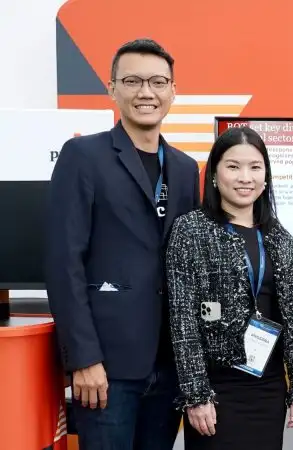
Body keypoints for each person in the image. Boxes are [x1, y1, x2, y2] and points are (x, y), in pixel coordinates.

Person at [45, 38, 200, 449]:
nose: (146, 92)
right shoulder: (83, 156)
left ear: (173, 91)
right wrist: (83, 358)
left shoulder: (185, 169)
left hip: (169, 366)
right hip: (106, 368)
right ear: (112, 88)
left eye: (157, 82)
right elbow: (64, 263)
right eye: (132, 81)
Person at [165, 126, 293, 449]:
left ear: (266, 176)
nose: (245, 177)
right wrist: (196, 394)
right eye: (233, 166)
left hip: (267, 386)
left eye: (255, 167)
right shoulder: (190, 230)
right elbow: (182, 319)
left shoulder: (279, 237)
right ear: (214, 174)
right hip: (216, 390)